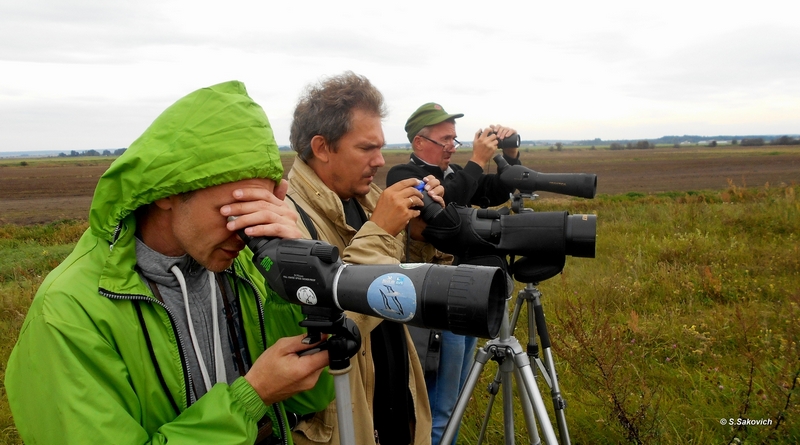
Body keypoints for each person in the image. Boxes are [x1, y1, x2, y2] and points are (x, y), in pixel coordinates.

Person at [5, 81, 334, 445]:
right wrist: (251, 397)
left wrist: (293, 275)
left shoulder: (242, 270)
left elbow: (310, 398)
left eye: (256, 213)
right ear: (167, 193)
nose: (243, 233)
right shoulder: (68, 311)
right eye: (230, 211)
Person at [284, 72, 443, 445]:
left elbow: (400, 281)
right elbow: (332, 320)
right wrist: (382, 230)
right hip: (346, 417)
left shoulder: (366, 199)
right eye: (366, 148)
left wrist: (420, 234)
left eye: (381, 147)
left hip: (392, 404)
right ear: (322, 147)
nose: (380, 160)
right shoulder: (288, 219)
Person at [386, 102, 521, 445]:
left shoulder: (455, 175)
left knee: (456, 401)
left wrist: (511, 151)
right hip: (432, 305)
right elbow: (440, 212)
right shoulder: (402, 176)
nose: (451, 146)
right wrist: (476, 161)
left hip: (462, 297)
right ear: (419, 142)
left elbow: (498, 189)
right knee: (438, 406)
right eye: (445, 139)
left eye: (454, 139)